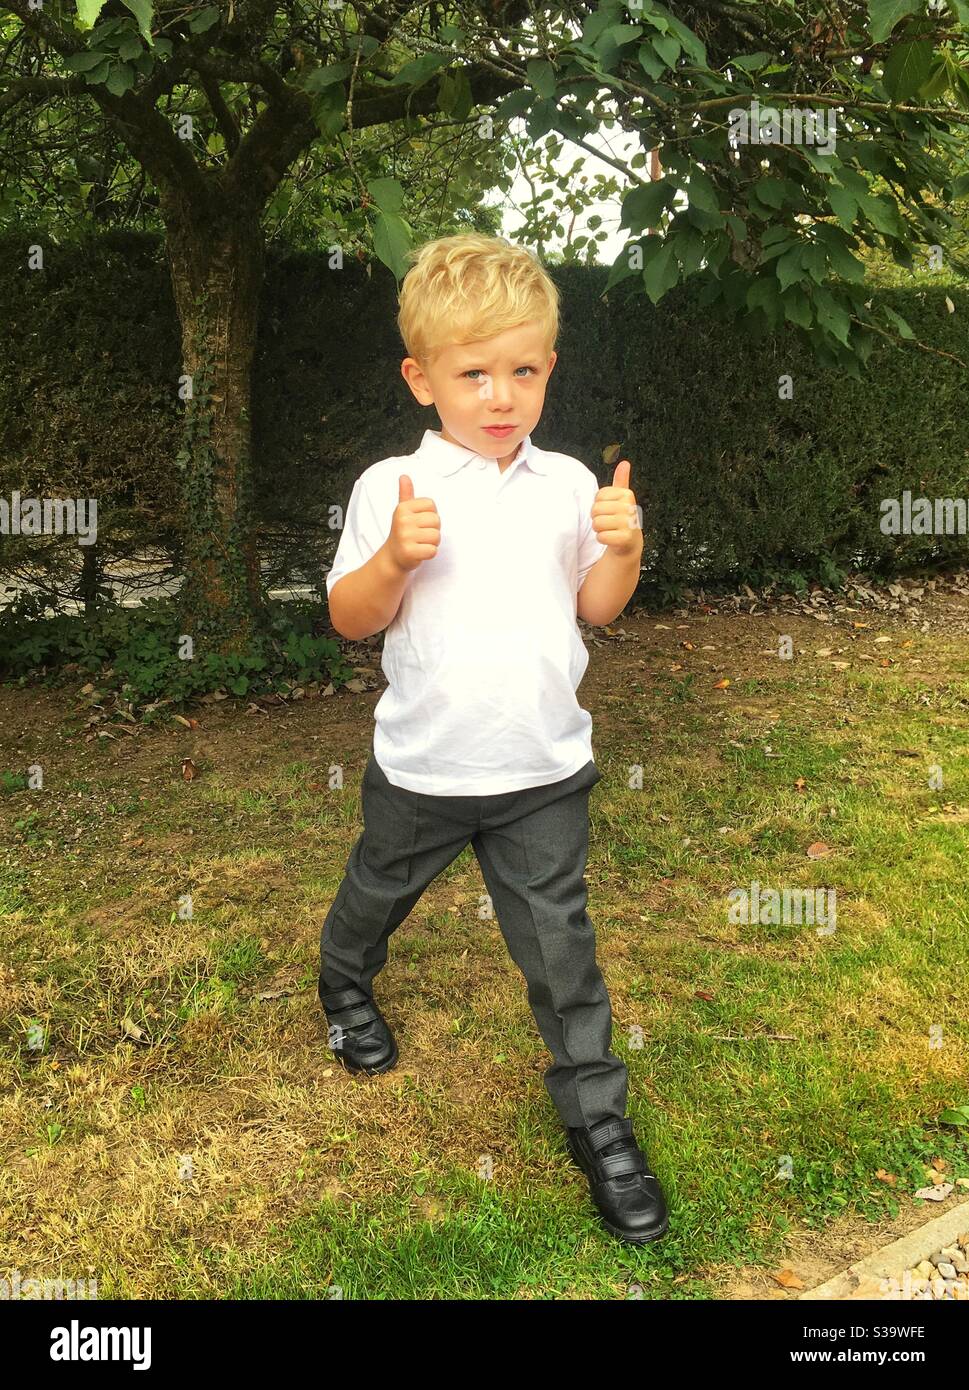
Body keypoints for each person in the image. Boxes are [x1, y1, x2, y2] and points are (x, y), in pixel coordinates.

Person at [319, 233, 668, 1244]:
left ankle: (597, 1119)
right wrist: (391, 560)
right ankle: (344, 980)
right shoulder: (393, 486)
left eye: (523, 370)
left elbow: (597, 607)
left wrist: (625, 549)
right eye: (474, 373)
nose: (501, 395)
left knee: (564, 952)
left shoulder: (565, 484)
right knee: (377, 892)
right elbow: (350, 617)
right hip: (423, 769)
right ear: (422, 379)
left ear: (549, 369)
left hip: (543, 771)